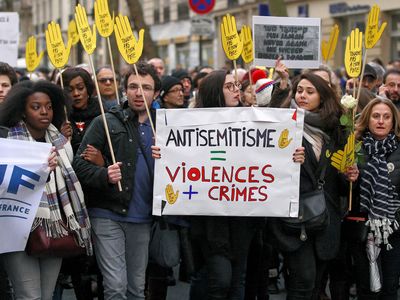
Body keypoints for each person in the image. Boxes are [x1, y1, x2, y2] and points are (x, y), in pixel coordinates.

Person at [152, 70, 305, 300]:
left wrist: (291, 155)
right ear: (215, 91)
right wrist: (163, 152)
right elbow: (182, 158)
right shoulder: (191, 122)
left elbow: (271, 151)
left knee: (237, 280)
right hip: (210, 220)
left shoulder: (250, 119)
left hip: (243, 217)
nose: (237, 90)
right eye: (229, 86)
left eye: (237, 86)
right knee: (219, 279)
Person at [73, 61, 161, 300]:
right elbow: (78, 165)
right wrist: (104, 175)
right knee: (114, 288)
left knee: (136, 289)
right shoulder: (106, 121)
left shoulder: (166, 126)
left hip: (143, 218)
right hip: (108, 213)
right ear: (125, 90)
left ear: (156, 93)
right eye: (133, 86)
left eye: (146, 87)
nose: (139, 92)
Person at [268, 72, 358, 300]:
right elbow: (265, 161)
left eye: (310, 91)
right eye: (299, 91)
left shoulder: (337, 128)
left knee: (317, 282)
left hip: (325, 216)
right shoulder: (285, 125)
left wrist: (348, 175)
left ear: (322, 96)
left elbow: (338, 180)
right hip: (296, 217)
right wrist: (285, 157)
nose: (302, 96)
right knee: (303, 280)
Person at [0, 80, 92, 300]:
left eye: (49, 106)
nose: (44, 112)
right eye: (36, 107)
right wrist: (40, 172)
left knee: (46, 295)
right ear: (22, 110)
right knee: (28, 296)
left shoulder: (59, 141)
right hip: (17, 228)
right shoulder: (6, 140)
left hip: (55, 226)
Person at [347, 97, 400, 300]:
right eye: (376, 116)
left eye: (386, 117)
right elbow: (345, 192)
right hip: (363, 229)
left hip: (393, 231)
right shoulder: (355, 148)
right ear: (367, 120)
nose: (381, 121)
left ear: (393, 122)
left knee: (390, 285)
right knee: (365, 286)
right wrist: (350, 179)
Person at [60, 67, 101, 153]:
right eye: (70, 90)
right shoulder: (60, 117)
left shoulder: (102, 115)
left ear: (88, 89)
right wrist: (61, 138)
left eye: (80, 88)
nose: (76, 94)